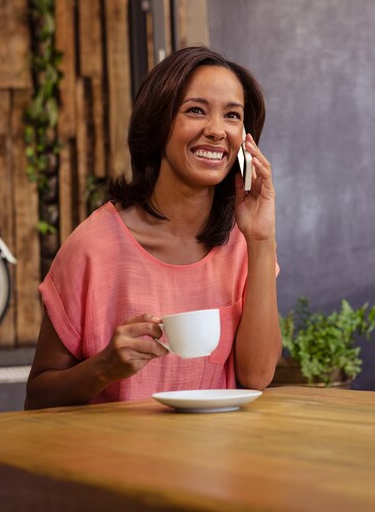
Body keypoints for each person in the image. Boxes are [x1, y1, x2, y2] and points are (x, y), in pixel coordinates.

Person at [25, 46, 282, 409]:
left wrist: (261, 239)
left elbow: (257, 376)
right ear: (158, 123)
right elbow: (36, 398)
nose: (216, 131)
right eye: (195, 110)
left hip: (220, 458)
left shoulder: (243, 242)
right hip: (116, 461)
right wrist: (104, 367)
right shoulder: (93, 247)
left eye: (233, 116)